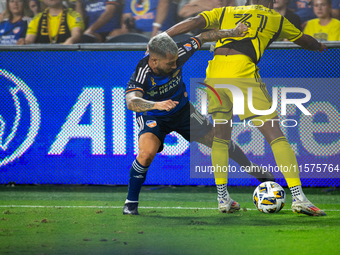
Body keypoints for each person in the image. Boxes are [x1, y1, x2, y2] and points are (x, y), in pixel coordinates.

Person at [165, 0, 328, 216]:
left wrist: (162, 37)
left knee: (221, 138)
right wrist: (318, 46)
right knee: (276, 136)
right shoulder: (276, 18)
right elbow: (303, 39)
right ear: (269, 1)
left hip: (214, 74)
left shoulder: (226, 11)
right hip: (241, 72)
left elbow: (193, 21)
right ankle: (299, 198)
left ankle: (223, 199)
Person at [123, 23, 275, 215]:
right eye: (170, 63)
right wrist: (155, 105)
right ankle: (130, 203)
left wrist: (232, 32)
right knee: (146, 154)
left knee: (221, 142)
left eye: (176, 61)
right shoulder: (142, 72)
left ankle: (253, 170)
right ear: (154, 61)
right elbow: (131, 102)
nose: (175, 65)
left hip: (182, 111)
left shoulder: (178, 53)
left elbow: (203, 36)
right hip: (153, 115)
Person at [108, 0, 176, 39]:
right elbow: (126, 15)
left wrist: (155, 30)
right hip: (136, 32)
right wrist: (126, 23)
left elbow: (164, 4)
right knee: (114, 34)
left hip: (159, 30)